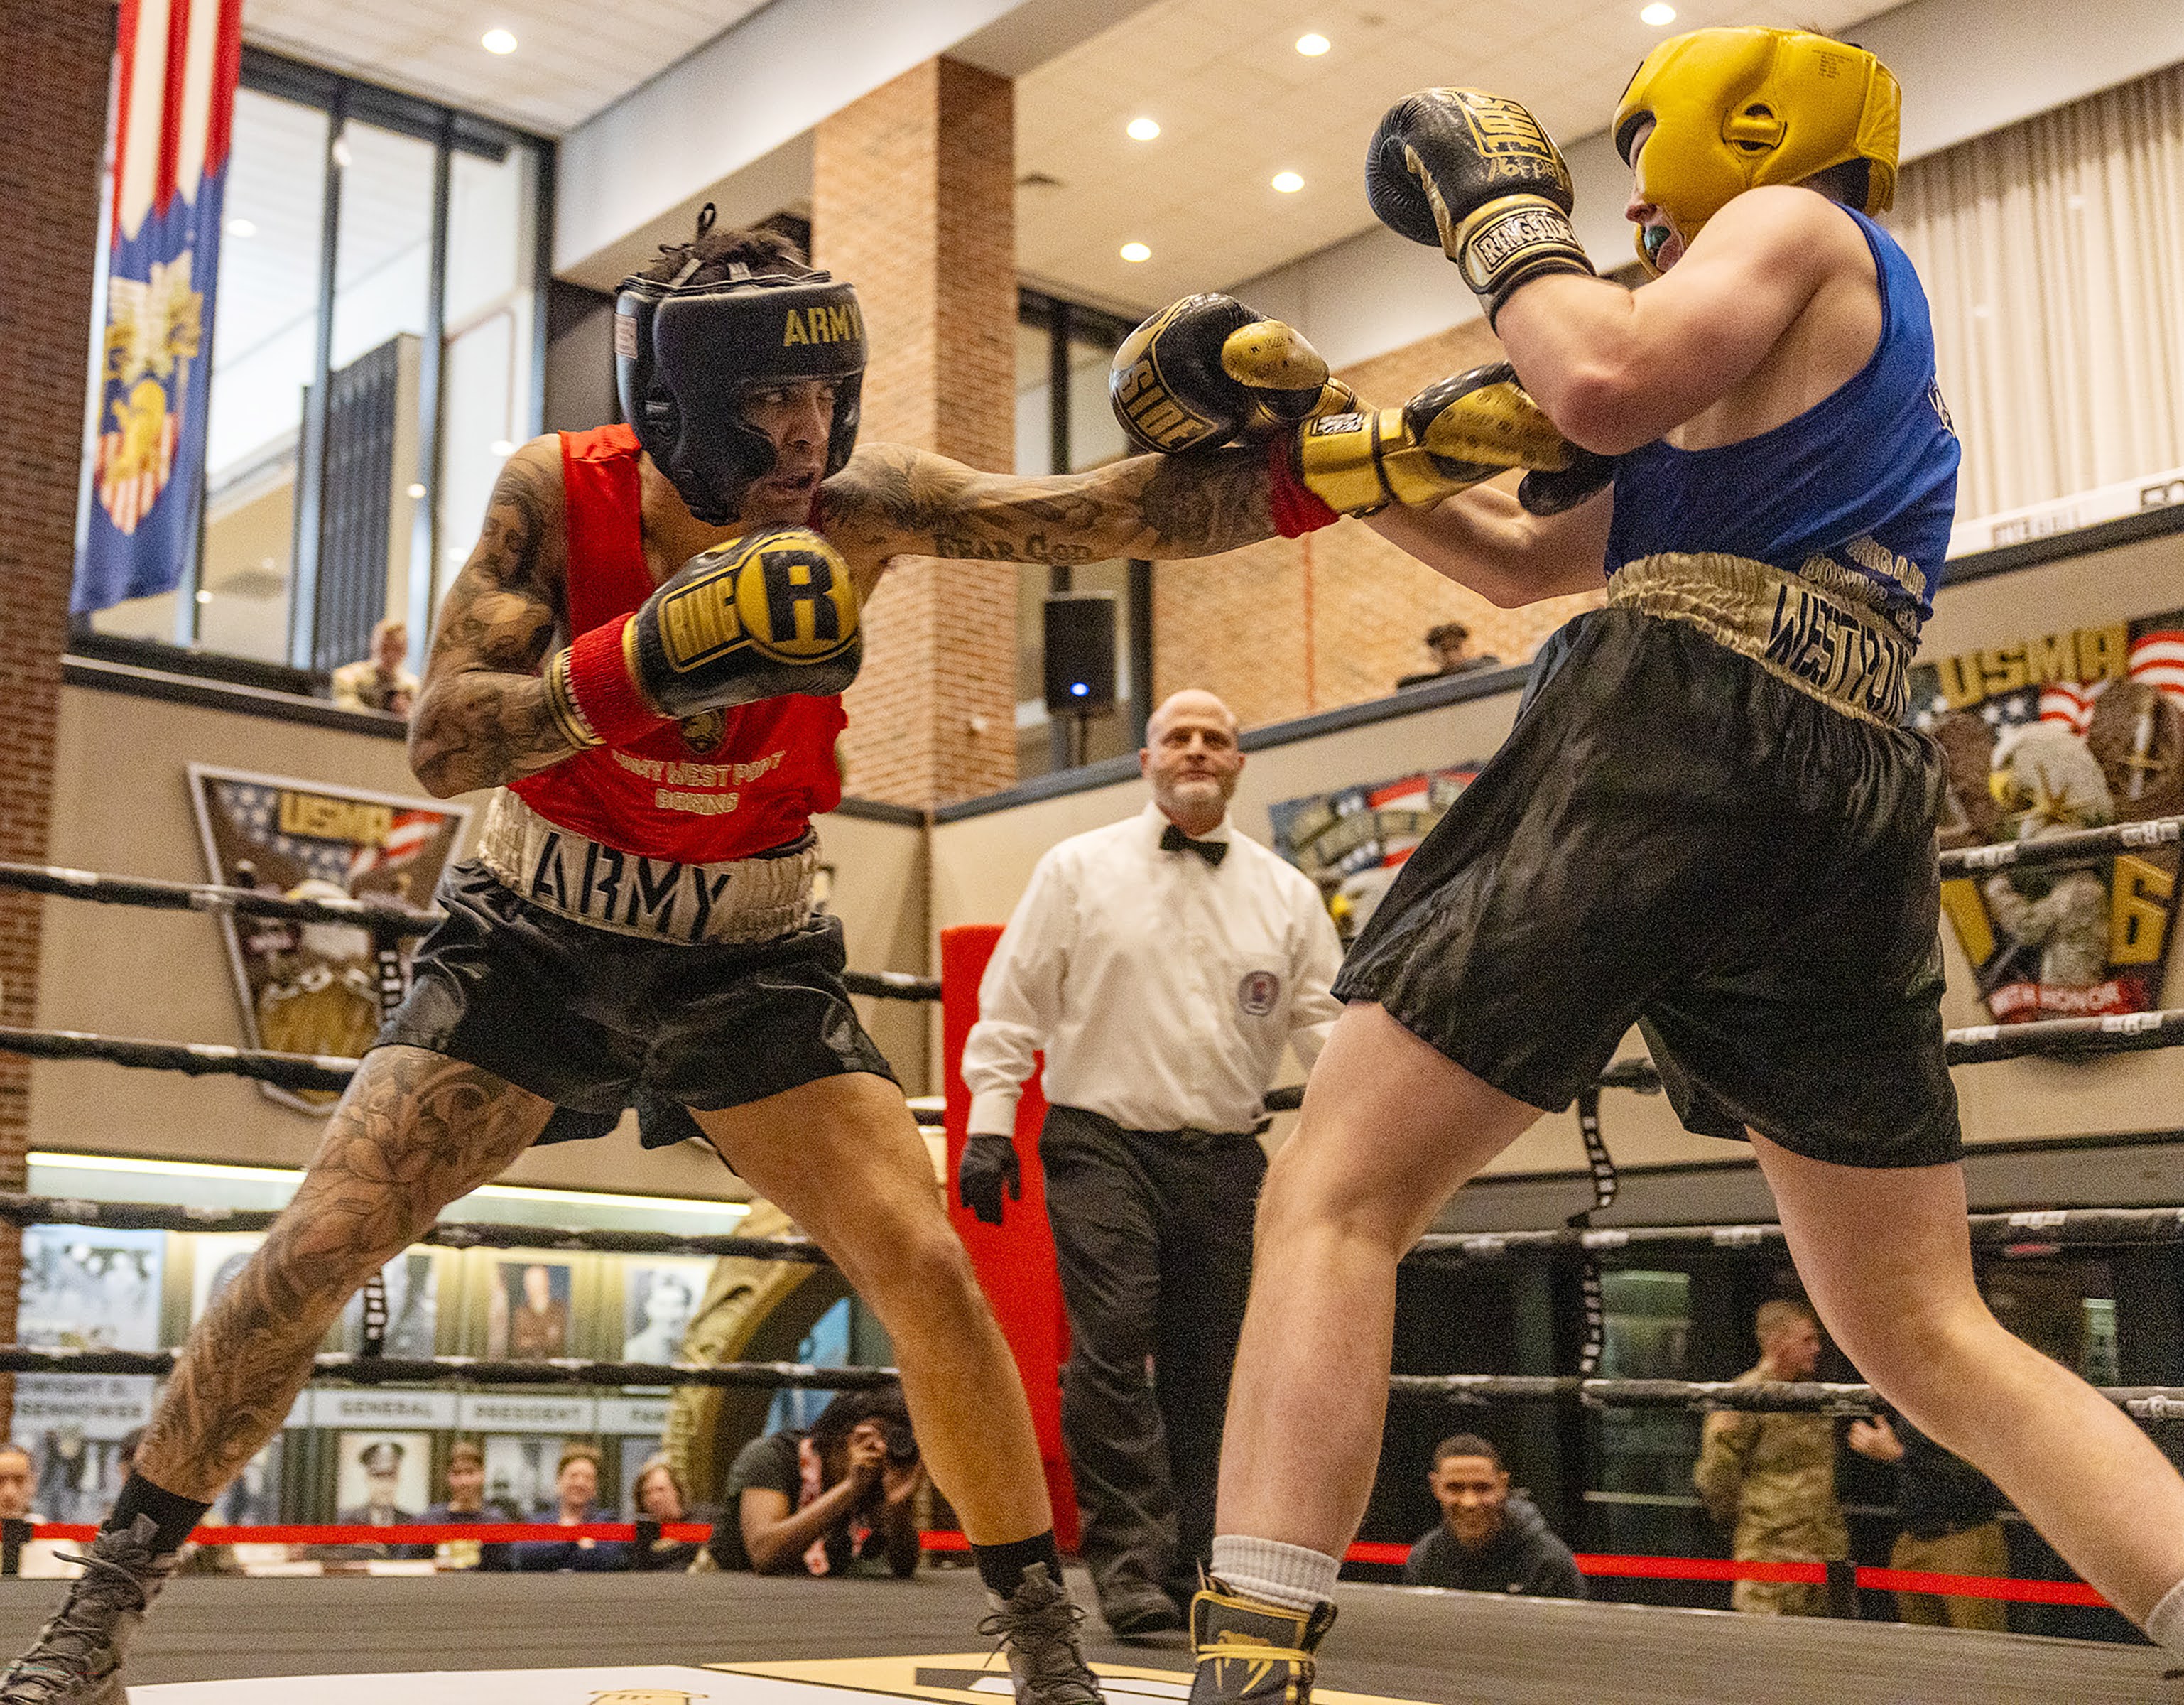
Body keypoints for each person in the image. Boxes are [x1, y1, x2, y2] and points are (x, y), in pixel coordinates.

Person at [13, 205, 1559, 1704]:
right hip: (535, 932)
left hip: (754, 950)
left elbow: (1112, 513)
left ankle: (1041, 1649)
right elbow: (439, 742)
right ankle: (100, 1609)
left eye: (820, 390)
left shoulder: (863, 506)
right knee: (319, 1243)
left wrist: (1372, 462)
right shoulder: (554, 496)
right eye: (765, 395)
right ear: (679, 400)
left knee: (930, 1271)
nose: (803, 431)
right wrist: (645, 659)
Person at [1101, 26, 2184, 1700]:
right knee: (1920, 1323)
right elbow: (1530, 557)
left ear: (1738, 133)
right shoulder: (1784, 375)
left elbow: (1594, 377)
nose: (1634, 221)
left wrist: (1491, 210)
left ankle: (1245, 1659)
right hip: (1845, 779)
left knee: (1338, 1190)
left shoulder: (1797, 230)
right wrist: (1308, 441)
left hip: (1678, 723)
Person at [959, 687, 1342, 1636]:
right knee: (1113, 1339)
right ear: (1145, 760)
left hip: (1223, 1156)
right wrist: (989, 1124)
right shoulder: (1076, 869)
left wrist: (1355, 1146)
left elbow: (1326, 1032)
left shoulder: (1285, 893)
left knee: (1212, 1368)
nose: (1198, 751)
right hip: (1100, 1143)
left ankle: (1193, 1565)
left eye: (1217, 737)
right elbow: (1011, 1006)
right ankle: (1125, 1565)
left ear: (1239, 763)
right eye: (1179, 737)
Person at [1693, 1300, 1846, 1616]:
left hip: (1822, 1550)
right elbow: (1718, 1474)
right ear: (1778, 1344)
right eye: (1807, 1340)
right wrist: (1756, 1522)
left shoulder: (1814, 1393)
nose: (1816, 1348)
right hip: (1770, 1557)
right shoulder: (1745, 1396)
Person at [706, 1387, 925, 1579]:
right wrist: (850, 1487)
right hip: (735, 1598)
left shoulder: (876, 1479)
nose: (878, 1451)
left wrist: (898, 1509)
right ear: (840, 1436)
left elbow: (903, 1566)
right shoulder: (771, 1457)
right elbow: (765, 1553)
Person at [1847, 1406, 2009, 1631]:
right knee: (1924, 1653)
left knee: (1979, 1653)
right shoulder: (1915, 1393)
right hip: (1914, 1538)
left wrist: (1898, 1454)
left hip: (1963, 1537)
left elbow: (1980, 1473)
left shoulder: (1969, 1394)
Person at [1401, 1434, 1583, 1601]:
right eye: (1455, 1488)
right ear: (1435, 1487)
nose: (1469, 1502)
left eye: (1482, 1488)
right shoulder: (1425, 1559)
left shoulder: (1548, 1562)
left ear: (1503, 1485)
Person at [397, 1440, 516, 1573]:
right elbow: (406, 1566)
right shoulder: (429, 1522)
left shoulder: (496, 1524)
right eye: (457, 1473)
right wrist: (432, 1566)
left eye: (470, 1473)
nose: (464, 1482)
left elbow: (505, 1575)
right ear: (448, 1477)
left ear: (482, 1474)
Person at [510, 1444, 628, 1574]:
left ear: (595, 1487)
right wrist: (574, 1538)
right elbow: (524, 1555)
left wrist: (553, 1546)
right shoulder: (538, 1522)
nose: (580, 1483)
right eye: (573, 1476)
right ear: (559, 1481)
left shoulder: (607, 1521)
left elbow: (608, 1558)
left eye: (588, 1478)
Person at [0, 1447, 77, 1581]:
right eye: (0, 1480)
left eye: (19, 1480)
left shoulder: (62, 1549)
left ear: (33, 1483)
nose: (9, 1493)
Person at [329, 619, 420, 717]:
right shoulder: (348, 678)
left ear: (405, 651)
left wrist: (408, 714)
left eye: (397, 649)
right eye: (385, 648)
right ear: (374, 645)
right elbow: (348, 714)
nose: (390, 655)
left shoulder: (414, 688)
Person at [629, 1456, 704, 1573]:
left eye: (661, 1490)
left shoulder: (702, 1518)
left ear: (677, 1491)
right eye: (647, 1493)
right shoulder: (644, 1536)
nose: (654, 1498)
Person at [1394, 621, 1500, 689]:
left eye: (1456, 647)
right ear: (1433, 656)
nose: (1451, 655)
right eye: (1445, 650)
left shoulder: (1486, 668)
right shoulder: (1425, 686)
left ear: (1468, 649)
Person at [623, 1272, 697, 1363]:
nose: (670, 1315)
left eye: (677, 1305)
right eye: (662, 1305)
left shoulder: (690, 1351)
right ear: (648, 1307)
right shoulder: (633, 1351)